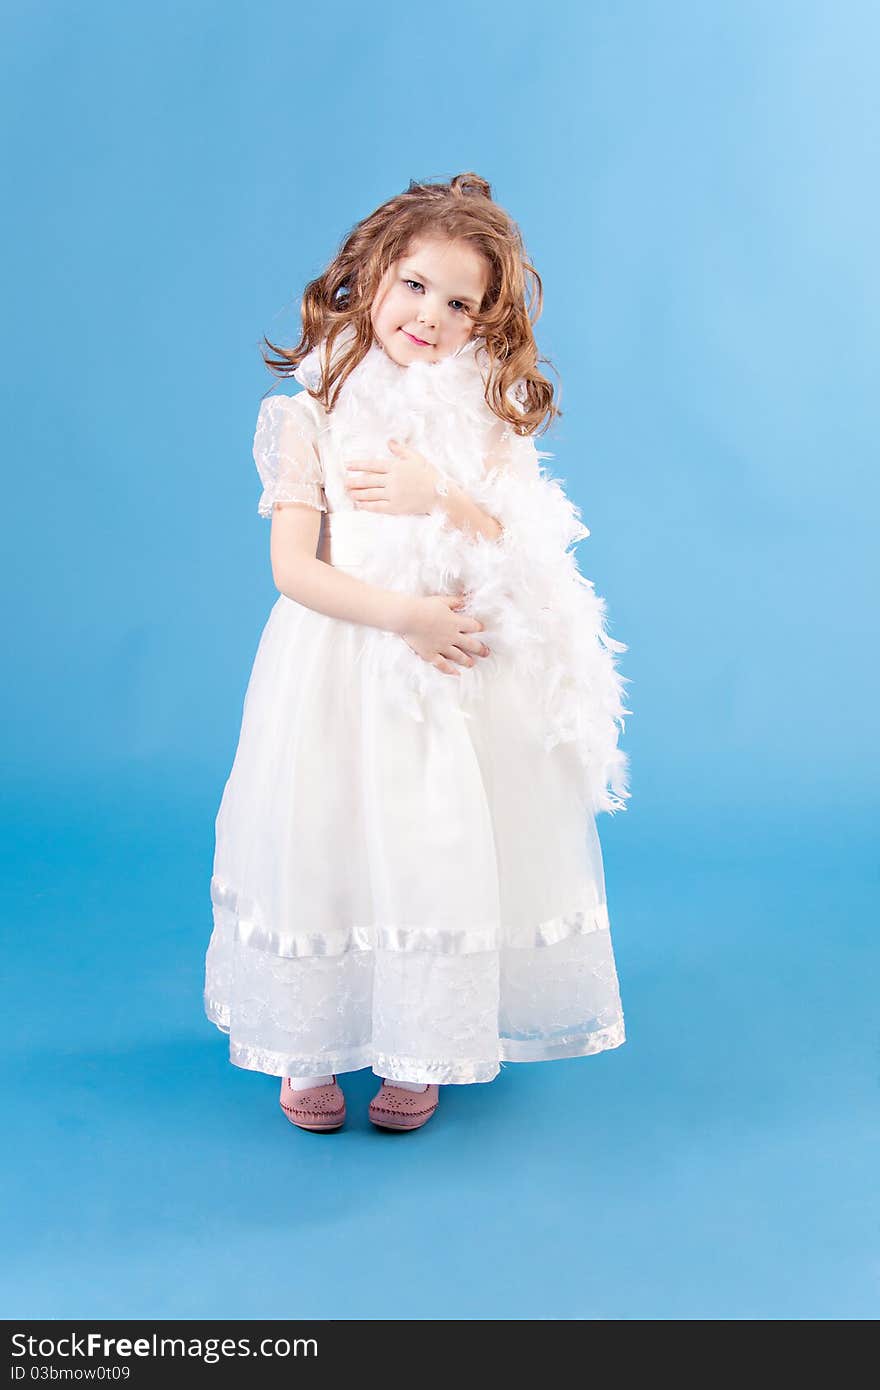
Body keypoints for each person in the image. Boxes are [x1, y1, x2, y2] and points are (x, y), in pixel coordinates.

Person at [204, 171, 631, 1134]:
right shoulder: (304, 417)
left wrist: (433, 490)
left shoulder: (480, 421)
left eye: (459, 303)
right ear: (369, 275)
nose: (429, 315)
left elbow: (512, 537)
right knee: (325, 836)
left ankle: (418, 1039)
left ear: (482, 324)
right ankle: (309, 1040)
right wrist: (408, 617)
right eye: (414, 285)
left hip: (443, 682)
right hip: (340, 664)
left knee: (428, 839)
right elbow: (293, 573)